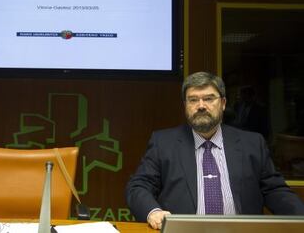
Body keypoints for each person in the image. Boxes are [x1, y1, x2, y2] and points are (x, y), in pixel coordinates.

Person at [126, 71, 304, 230]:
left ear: (224, 103)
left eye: (209, 98)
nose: (201, 105)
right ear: (185, 105)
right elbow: (139, 186)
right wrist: (153, 212)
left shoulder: (252, 143)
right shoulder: (164, 143)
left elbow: (275, 190)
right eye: (193, 100)